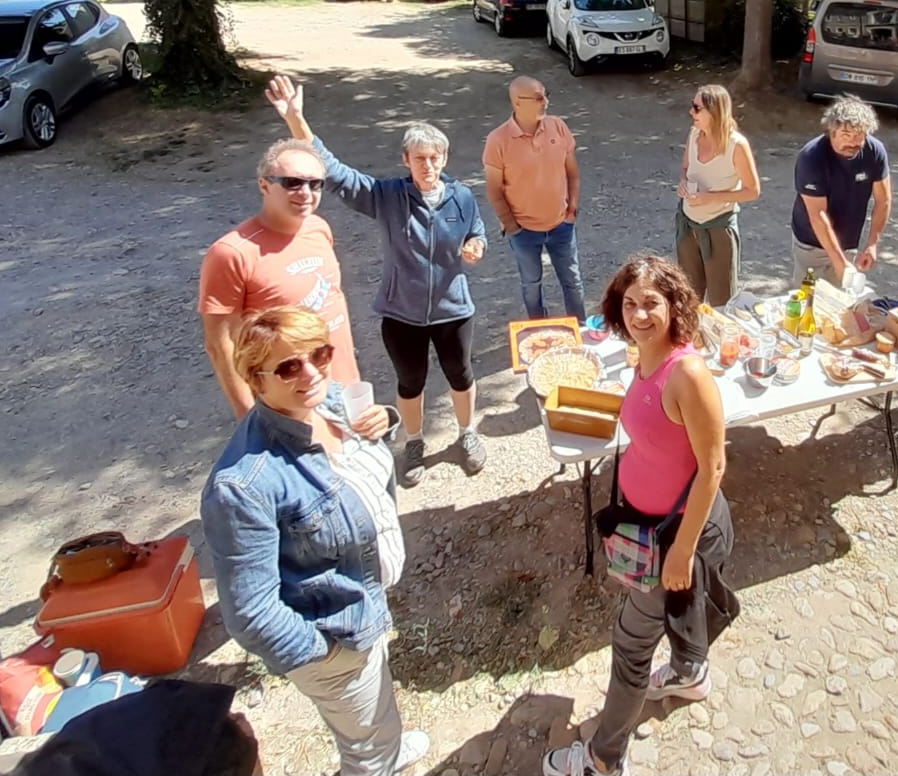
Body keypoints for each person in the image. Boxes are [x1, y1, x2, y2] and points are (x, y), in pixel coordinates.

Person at [201, 306, 428, 776]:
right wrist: (328, 652)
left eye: (320, 354)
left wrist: (383, 420)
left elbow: (360, 466)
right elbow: (250, 613)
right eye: (288, 367)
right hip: (336, 636)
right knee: (366, 749)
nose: (310, 372)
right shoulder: (243, 485)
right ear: (256, 381)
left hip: (362, 602)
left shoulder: (329, 401)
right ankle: (379, 758)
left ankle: (384, 744)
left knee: (371, 718)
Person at [544, 256, 737, 776]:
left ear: (676, 305)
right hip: (653, 527)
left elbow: (714, 465)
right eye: (629, 304)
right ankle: (689, 673)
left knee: (631, 647)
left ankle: (602, 759)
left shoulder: (687, 373)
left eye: (651, 303)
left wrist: (681, 550)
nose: (639, 315)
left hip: (680, 535)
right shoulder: (645, 355)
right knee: (683, 613)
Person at [266, 75, 487, 487]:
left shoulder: (463, 196)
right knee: (410, 381)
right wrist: (297, 119)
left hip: (454, 310)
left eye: (435, 157)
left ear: (445, 158)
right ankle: (415, 441)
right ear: (406, 160)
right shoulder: (386, 196)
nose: (428, 166)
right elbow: (333, 173)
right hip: (401, 313)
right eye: (419, 158)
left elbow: (477, 231)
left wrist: (477, 244)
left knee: (461, 375)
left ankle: (467, 433)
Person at [200, 139, 359, 419]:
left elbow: (335, 298)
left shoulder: (318, 228)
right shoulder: (232, 253)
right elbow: (221, 345)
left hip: (343, 384)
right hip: (290, 399)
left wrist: (351, 375)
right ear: (264, 185)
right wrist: (248, 415)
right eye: (292, 183)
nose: (306, 192)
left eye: (315, 184)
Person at [483, 76, 587, 320]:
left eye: (545, 94)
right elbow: (494, 190)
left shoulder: (558, 127)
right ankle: (539, 333)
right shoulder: (497, 140)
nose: (546, 101)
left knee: (572, 281)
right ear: (518, 102)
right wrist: (511, 226)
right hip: (524, 231)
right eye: (539, 97)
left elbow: (573, 173)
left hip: (562, 225)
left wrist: (571, 211)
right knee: (531, 286)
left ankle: (580, 329)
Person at [674, 84, 762, 306]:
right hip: (688, 226)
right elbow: (685, 167)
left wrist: (711, 197)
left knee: (722, 302)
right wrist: (684, 183)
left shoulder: (737, 145)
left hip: (718, 229)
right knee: (687, 297)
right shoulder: (694, 134)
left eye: (696, 108)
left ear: (714, 112)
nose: (690, 112)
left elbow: (753, 191)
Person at [791, 96, 892, 286]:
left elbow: (883, 200)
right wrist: (839, 263)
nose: (853, 142)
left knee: (839, 303)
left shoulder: (875, 151)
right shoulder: (811, 157)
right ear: (832, 131)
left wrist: (872, 244)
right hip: (811, 244)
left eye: (859, 135)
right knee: (807, 300)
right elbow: (817, 215)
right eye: (846, 135)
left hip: (848, 243)